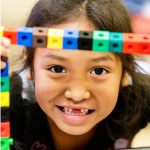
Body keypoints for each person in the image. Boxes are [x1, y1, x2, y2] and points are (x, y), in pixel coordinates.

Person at [1, 0, 150, 149]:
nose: (77, 95)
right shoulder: (12, 100)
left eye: (99, 70)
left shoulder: (138, 96)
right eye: (57, 69)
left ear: (126, 71)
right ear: (31, 65)